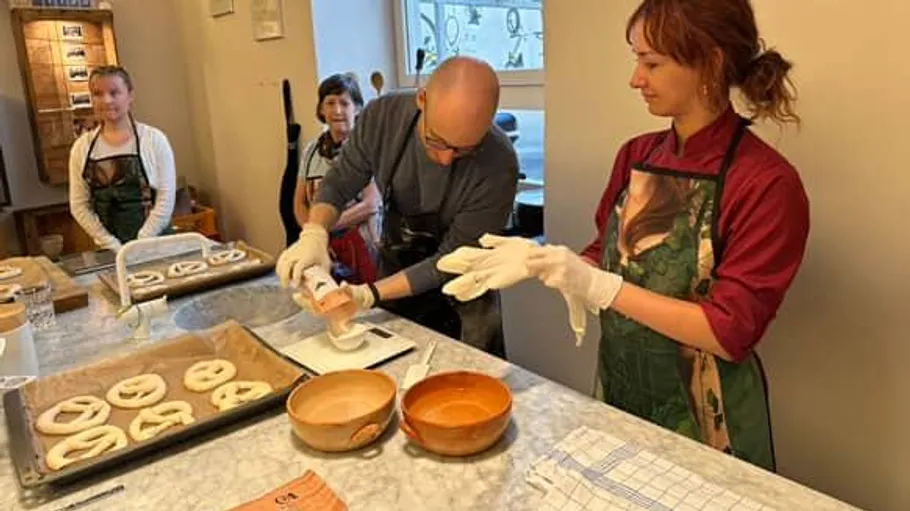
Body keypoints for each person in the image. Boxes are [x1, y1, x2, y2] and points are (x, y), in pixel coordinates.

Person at [439, 0, 809, 472]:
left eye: (652, 63)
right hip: (620, 389)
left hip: (709, 419)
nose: (637, 78)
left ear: (710, 63)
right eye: (637, 60)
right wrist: (545, 263)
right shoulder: (636, 155)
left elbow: (728, 331)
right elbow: (604, 256)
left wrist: (600, 287)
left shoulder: (765, 183)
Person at [277, 56, 520, 358]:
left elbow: (450, 260)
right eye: (437, 141)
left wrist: (368, 293)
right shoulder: (383, 118)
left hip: (465, 294)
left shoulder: (499, 164)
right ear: (422, 99)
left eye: (464, 150)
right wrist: (314, 233)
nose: (445, 159)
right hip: (397, 271)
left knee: (468, 386)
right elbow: (339, 181)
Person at [68, 66, 176, 252]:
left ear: (130, 95)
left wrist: (141, 241)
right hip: (109, 251)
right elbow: (79, 205)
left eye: (114, 92)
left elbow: (166, 198)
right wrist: (111, 244)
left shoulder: (154, 140)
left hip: (155, 245)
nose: (107, 100)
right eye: (98, 94)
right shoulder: (82, 148)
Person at [295, 73, 381, 284]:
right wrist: (312, 238)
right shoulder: (311, 152)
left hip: (362, 247)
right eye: (330, 103)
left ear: (358, 108)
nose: (337, 111)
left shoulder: (366, 148)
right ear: (321, 110)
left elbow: (370, 205)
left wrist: (321, 228)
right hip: (323, 248)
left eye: (344, 103)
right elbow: (299, 202)